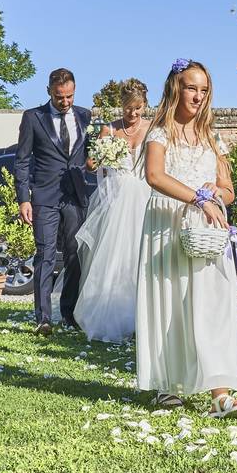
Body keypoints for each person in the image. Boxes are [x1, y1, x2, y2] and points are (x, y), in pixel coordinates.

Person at [134, 59, 237, 419]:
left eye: (203, 89)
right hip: (166, 226)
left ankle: (220, 393)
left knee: (213, 305)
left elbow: (229, 190)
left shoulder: (212, 137)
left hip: (207, 231)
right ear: (176, 88)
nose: (198, 96)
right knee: (170, 302)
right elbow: (155, 176)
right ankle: (169, 385)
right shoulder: (160, 133)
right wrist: (196, 197)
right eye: (191, 87)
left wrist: (216, 193)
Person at [73, 78, 152, 342]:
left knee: (141, 257)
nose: (133, 113)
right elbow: (91, 165)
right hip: (117, 199)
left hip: (143, 196)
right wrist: (99, 158)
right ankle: (113, 316)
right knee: (115, 258)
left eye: (138, 108)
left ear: (144, 106)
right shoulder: (109, 130)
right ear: (121, 105)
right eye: (129, 108)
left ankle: (145, 318)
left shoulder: (152, 129)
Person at [14, 68, 91, 334]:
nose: (65, 101)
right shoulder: (33, 118)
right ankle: (43, 319)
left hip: (75, 197)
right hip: (44, 197)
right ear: (49, 92)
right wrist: (24, 199)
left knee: (74, 256)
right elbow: (22, 161)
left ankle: (69, 314)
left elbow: (90, 157)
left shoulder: (85, 116)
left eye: (69, 96)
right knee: (45, 255)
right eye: (60, 97)